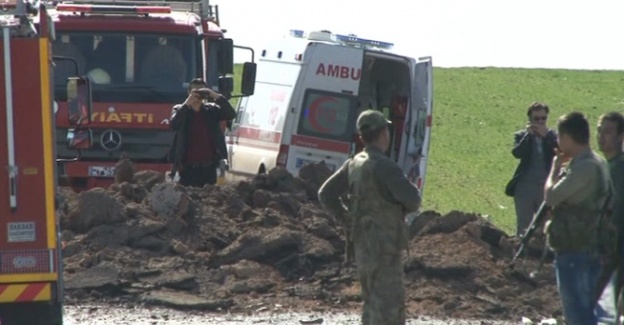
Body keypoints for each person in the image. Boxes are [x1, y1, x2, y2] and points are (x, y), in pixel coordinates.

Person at [317, 109, 421, 325]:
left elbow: (325, 194)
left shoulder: (354, 164)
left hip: (363, 245)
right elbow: (413, 200)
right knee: (389, 308)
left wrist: (348, 220)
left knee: (372, 303)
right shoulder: (385, 166)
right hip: (385, 247)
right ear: (383, 133)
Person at [543, 111, 611, 325]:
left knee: (577, 315)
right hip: (588, 246)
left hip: (576, 249)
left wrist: (554, 170)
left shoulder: (585, 166)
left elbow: (551, 196)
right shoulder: (595, 162)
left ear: (566, 138)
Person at [168, 78, 236, 187]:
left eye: (201, 92)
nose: (198, 95)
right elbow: (173, 125)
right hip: (188, 169)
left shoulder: (212, 110)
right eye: (195, 92)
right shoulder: (180, 110)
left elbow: (231, 114)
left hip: (210, 168)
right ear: (188, 93)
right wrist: (187, 103)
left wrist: (215, 96)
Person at [505, 102, 558, 236]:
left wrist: (546, 136)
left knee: (545, 229)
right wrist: (528, 136)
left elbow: (560, 152)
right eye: (537, 118)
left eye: (543, 118)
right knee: (523, 227)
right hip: (525, 187)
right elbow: (517, 153)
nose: (540, 121)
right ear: (530, 119)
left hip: (546, 187)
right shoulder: (521, 135)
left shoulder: (552, 135)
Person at [595, 111, 624, 323]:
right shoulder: (610, 166)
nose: (601, 136)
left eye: (607, 131)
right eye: (599, 130)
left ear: (621, 137)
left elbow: (618, 206)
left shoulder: (619, 168)